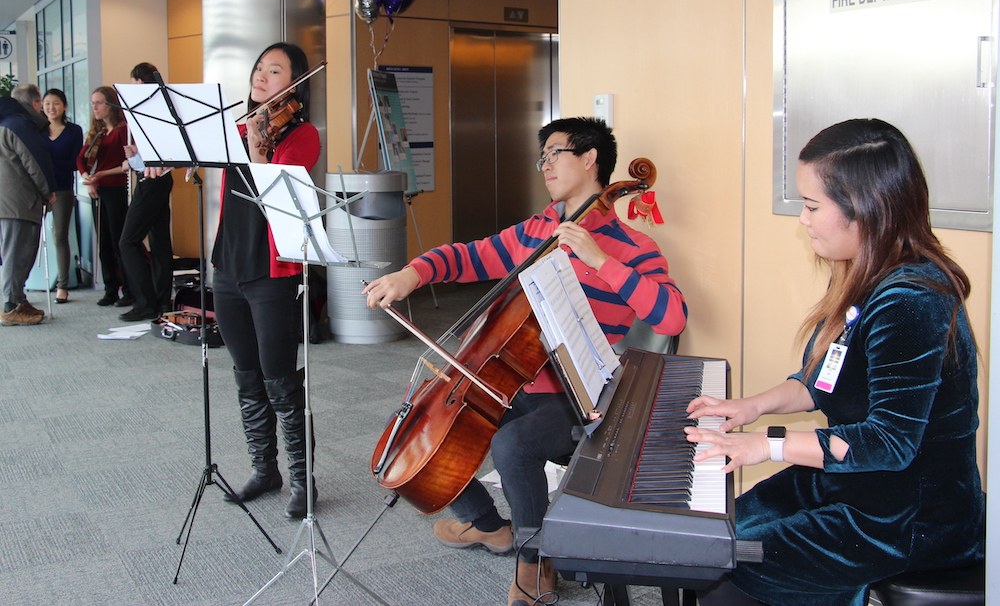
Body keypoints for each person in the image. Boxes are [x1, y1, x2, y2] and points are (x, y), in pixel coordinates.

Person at [364, 117, 688, 606]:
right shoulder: (537, 230)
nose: (546, 166)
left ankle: (536, 559)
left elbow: (671, 317)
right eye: (542, 157)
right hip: (512, 381)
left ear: (590, 158)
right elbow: (470, 257)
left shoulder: (632, 247)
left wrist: (600, 260)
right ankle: (491, 527)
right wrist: (413, 273)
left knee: (512, 445)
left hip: (579, 396)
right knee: (411, 430)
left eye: (555, 153)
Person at [686, 119, 985, 606]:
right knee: (714, 532)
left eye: (811, 205)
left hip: (912, 516)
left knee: (729, 569)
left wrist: (766, 446)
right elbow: (821, 381)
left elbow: (888, 444)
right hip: (854, 482)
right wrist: (749, 407)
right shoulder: (863, 275)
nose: (802, 219)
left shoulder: (912, 302)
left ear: (865, 209)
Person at [212, 42, 320, 520]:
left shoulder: (303, 135)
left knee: (279, 377)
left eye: (274, 71)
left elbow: (273, 192)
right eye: (259, 67)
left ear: (295, 83)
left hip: (273, 270)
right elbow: (204, 162)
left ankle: (302, 478)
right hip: (228, 264)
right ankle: (265, 468)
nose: (261, 76)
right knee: (246, 376)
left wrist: (258, 149)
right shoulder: (234, 128)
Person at [117, 63, 174, 322]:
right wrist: (137, 157)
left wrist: (137, 158)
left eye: (134, 83)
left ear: (140, 83)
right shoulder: (161, 108)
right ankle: (162, 301)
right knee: (160, 243)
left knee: (128, 241)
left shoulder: (149, 110)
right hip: (161, 179)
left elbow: (158, 156)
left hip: (153, 180)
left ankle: (145, 301)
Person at [0, 85, 55, 326]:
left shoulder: (7, 121)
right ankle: (11, 306)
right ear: (35, 104)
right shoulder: (20, 125)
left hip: (9, 200)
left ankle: (18, 300)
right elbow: (35, 161)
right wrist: (48, 190)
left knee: (13, 253)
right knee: (17, 254)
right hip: (17, 201)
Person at [76, 87, 131, 307]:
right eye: (93, 103)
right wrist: (88, 178)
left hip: (117, 189)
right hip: (99, 189)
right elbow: (80, 159)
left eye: (99, 103)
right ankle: (110, 289)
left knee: (120, 241)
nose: (95, 108)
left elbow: (126, 166)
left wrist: (101, 175)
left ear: (111, 104)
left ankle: (128, 289)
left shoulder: (122, 131)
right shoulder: (97, 132)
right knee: (104, 242)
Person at [42, 88, 83, 303]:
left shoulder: (73, 131)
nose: (51, 108)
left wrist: (47, 165)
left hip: (62, 188)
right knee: (30, 237)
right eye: (47, 103)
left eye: (56, 103)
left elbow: (74, 162)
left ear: (64, 106)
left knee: (60, 236)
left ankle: (62, 285)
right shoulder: (37, 131)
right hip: (38, 188)